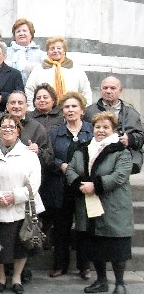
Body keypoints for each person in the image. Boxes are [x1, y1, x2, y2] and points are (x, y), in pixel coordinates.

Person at [66, 111, 134, 294]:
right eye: (97, 127)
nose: (101, 130)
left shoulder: (121, 151)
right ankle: (101, 281)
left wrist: (95, 186)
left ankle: (119, 283)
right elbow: (70, 168)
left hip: (113, 206)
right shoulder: (83, 148)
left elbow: (120, 176)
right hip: (87, 204)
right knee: (93, 243)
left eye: (105, 127)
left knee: (116, 246)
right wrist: (79, 183)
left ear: (114, 130)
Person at [0, 114, 43, 294]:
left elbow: (35, 182)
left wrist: (16, 196)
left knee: (20, 246)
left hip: (21, 206)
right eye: (4, 127)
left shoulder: (29, 154)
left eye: (12, 127)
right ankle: (1, 278)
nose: (7, 130)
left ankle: (17, 277)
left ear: (18, 130)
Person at [45, 92, 92, 279]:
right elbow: (48, 155)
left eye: (74, 106)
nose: (70, 110)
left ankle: (84, 266)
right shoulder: (54, 133)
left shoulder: (91, 130)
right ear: (62, 111)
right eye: (66, 107)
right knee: (61, 227)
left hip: (83, 187)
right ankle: (59, 264)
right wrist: (60, 164)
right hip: (60, 185)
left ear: (82, 110)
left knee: (83, 227)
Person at [85, 76, 144, 175]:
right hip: (96, 159)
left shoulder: (131, 113)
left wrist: (129, 139)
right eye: (105, 88)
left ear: (120, 91)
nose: (108, 91)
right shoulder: (90, 112)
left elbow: (140, 137)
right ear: (101, 90)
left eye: (112, 88)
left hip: (121, 160)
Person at [25, 36, 92, 107]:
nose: (55, 51)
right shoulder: (38, 69)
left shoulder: (76, 69)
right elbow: (29, 90)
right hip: (45, 113)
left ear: (64, 51)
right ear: (47, 52)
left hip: (71, 111)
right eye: (52, 48)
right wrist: (31, 109)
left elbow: (85, 91)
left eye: (59, 48)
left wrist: (85, 110)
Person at [6, 18, 46, 83]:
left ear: (31, 34)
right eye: (18, 31)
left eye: (24, 31)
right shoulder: (5, 52)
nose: (21, 33)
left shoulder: (41, 55)